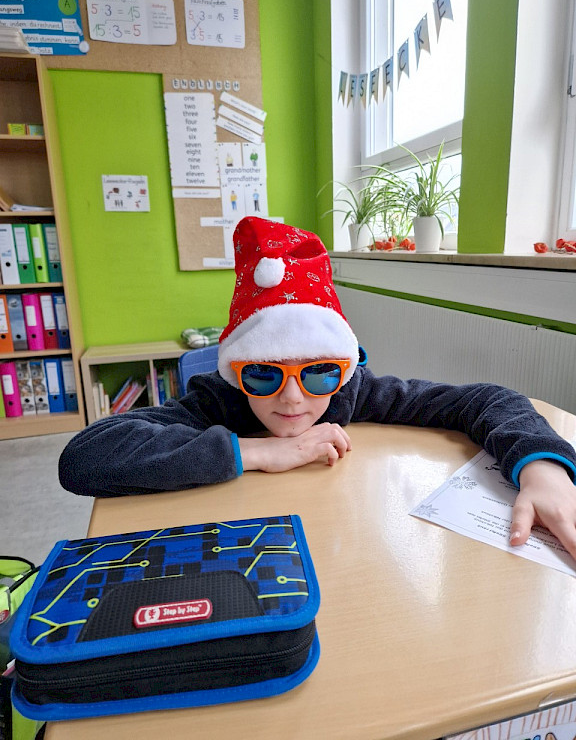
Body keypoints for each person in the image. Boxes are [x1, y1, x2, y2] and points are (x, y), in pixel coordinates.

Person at [59, 217, 576, 559]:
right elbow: (84, 457)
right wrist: (255, 451)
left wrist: (543, 471)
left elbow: (488, 400)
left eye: (319, 373)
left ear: (345, 369)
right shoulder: (219, 399)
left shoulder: (355, 393)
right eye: (263, 373)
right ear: (236, 372)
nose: (292, 398)